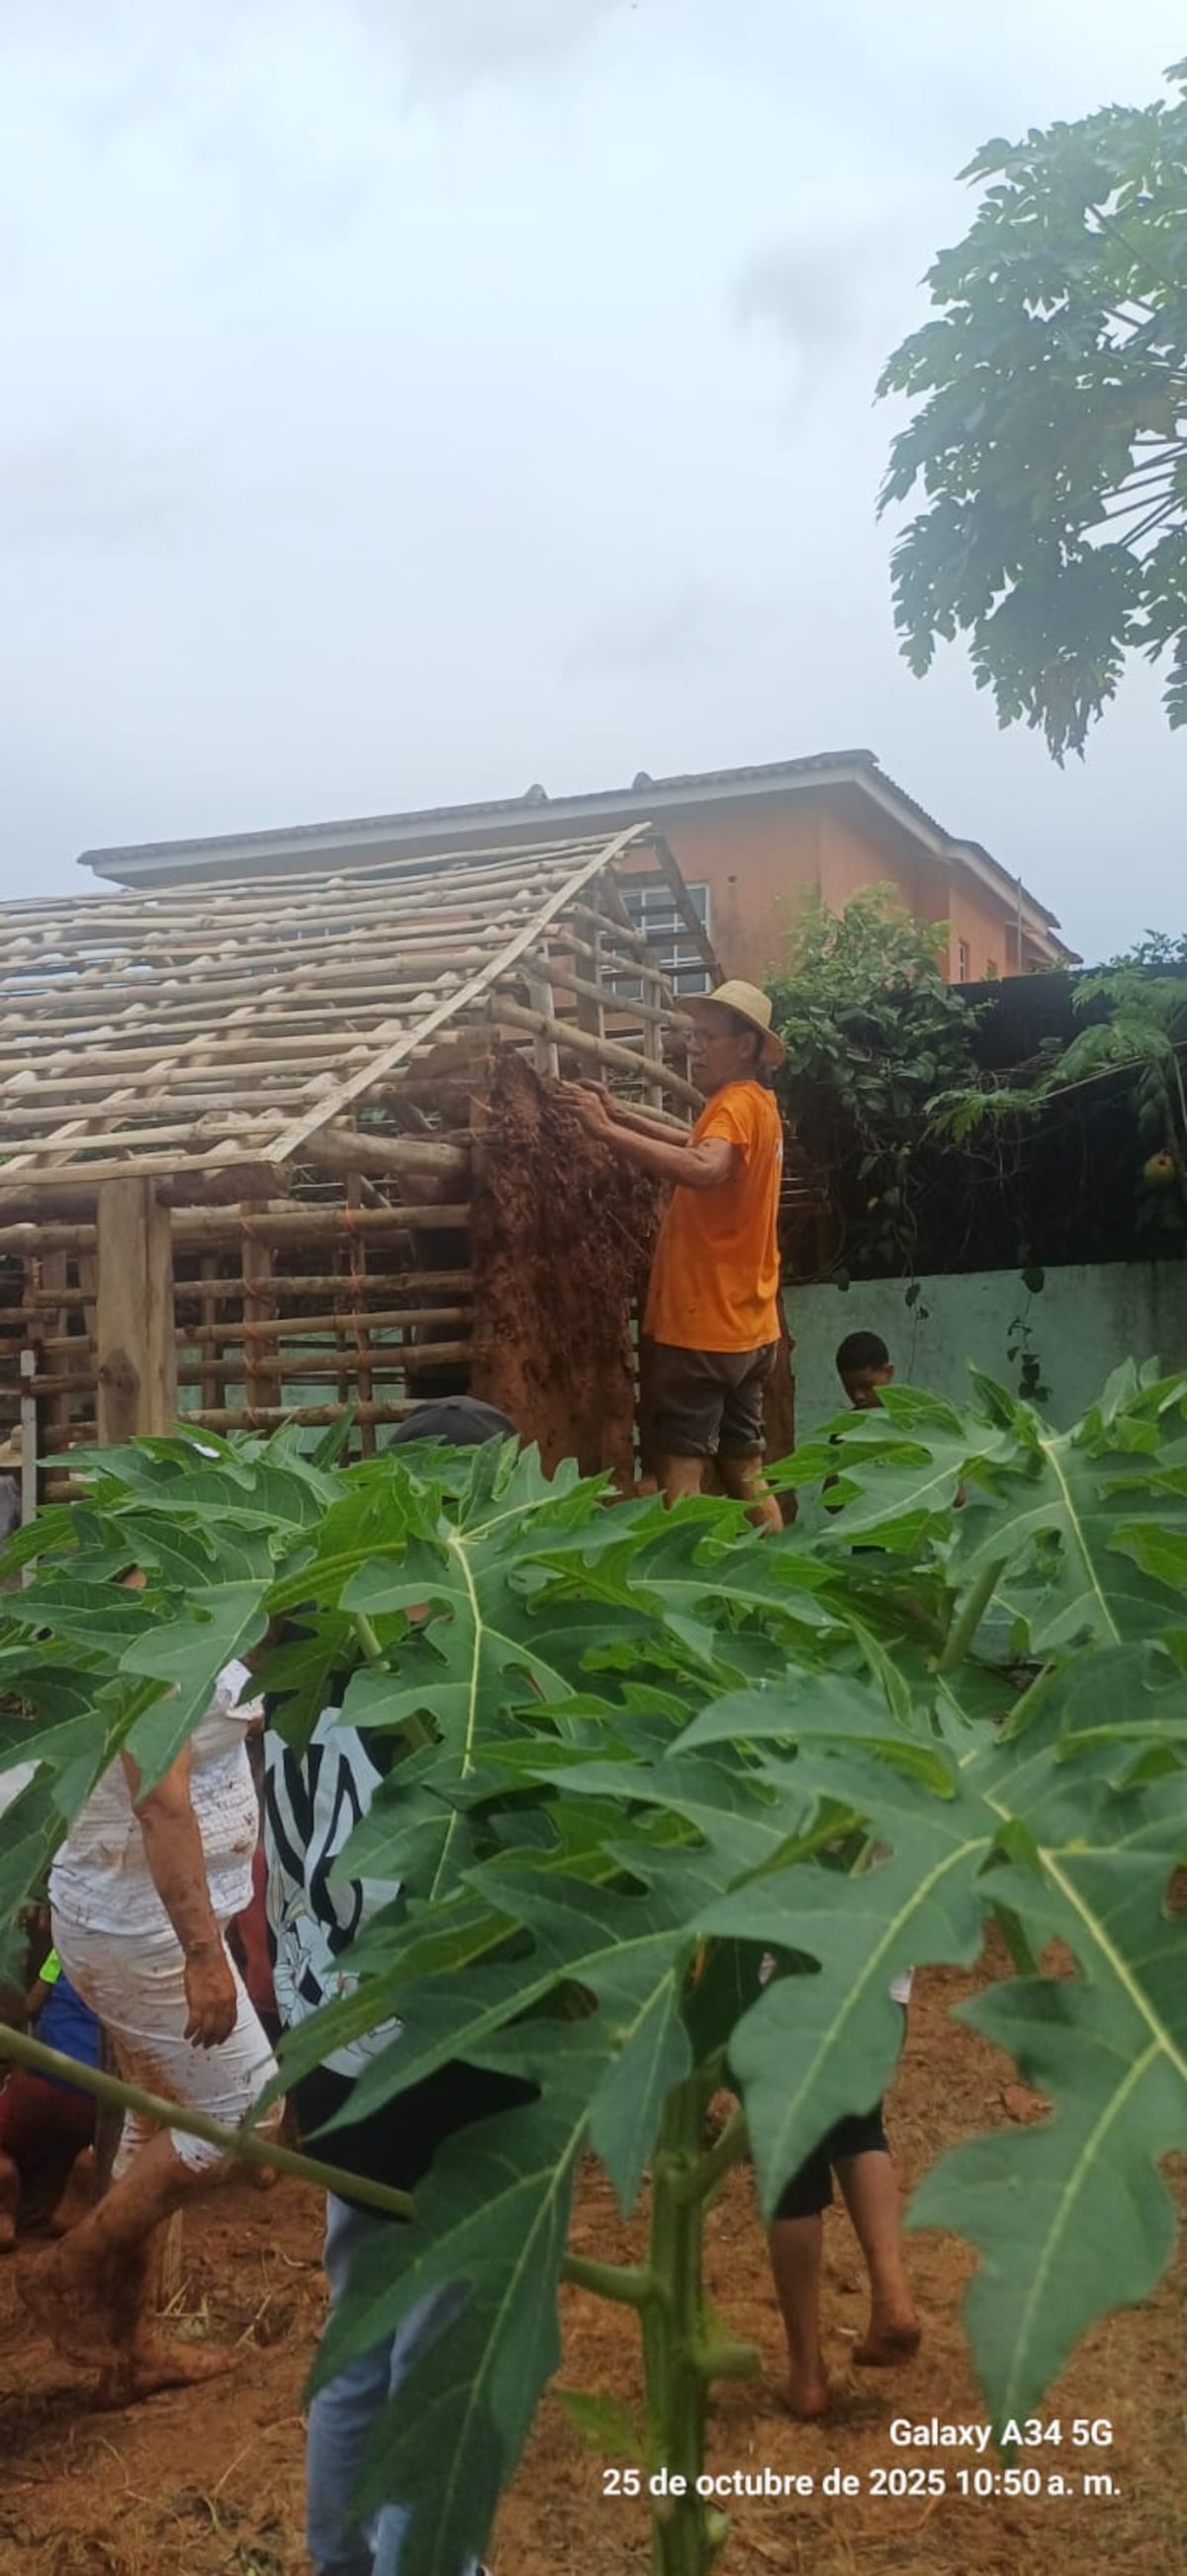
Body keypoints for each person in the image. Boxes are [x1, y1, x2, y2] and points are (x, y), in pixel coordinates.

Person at [263, 1396, 522, 2576]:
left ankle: (341, 2563)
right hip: (435, 2057)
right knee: (441, 2371)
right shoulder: (442, 1684)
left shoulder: (303, 1656)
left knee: (360, 2336)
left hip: (328, 2050)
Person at [20, 1649, 282, 2404]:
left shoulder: (182, 1592)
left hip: (140, 1917)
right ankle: (64, 2268)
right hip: (146, 1932)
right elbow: (161, 1801)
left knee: (150, 2124)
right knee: (251, 2113)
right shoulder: (155, 1631)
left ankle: (130, 2349)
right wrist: (204, 1953)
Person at [568, 979, 785, 1532]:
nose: (695, 1047)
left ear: (746, 1047)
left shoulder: (734, 1105)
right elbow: (695, 1146)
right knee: (746, 1469)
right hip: (750, 1329)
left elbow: (705, 1169)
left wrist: (603, 1132)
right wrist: (615, 1114)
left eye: (708, 1036)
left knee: (681, 1478)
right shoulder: (757, 1107)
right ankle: (780, 1573)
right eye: (696, 1035)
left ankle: (681, 1594)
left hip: (701, 1332)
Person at [0, 1933, 99, 2248]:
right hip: (95, 2101)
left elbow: (30, 2005)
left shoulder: (70, 1940)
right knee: (120, 2133)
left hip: (38, 2084)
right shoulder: (150, 1956)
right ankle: (87, 2169)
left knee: (8, 2130)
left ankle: (2, 2209)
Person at [835, 1329, 894, 1410]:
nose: (858, 1396)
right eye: (850, 1389)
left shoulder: (912, 1419)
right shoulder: (847, 1422)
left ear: (888, 1373)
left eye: (866, 1386)